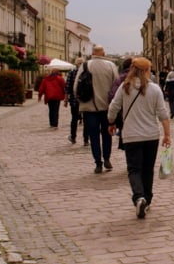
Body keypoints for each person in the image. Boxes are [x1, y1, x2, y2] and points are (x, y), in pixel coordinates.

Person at [107, 57, 171, 219]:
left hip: (131, 136)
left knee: (134, 169)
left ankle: (139, 196)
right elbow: (163, 114)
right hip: (151, 136)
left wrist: (111, 122)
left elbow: (113, 107)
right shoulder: (155, 89)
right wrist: (167, 134)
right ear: (146, 71)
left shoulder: (125, 87)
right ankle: (147, 200)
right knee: (148, 169)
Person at [74, 45, 119, 174]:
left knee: (93, 136)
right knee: (107, 134)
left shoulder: (85, 65)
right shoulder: (110, 65)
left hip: (89, 107)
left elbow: (76, 86)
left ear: (92, 53)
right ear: (103, 53)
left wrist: (80, 102)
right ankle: (107, 158)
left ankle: (98, 163)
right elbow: (116, 86)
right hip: (107, 107)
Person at [64, 57, 88, 145]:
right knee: (86, 120)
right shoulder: (87, 72)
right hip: (86, 100)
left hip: (74, 100)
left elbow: (67, 87)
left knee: (74, 119)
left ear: (76, 63)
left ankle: (73, 137)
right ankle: (86, 139)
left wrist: (66, 100)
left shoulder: (72, 72)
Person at [38, 63, 66, 129]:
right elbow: (64, 87)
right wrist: (65, 95)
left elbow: (41, 88)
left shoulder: (45, 79)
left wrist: (40, 96)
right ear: (57, 72)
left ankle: (51, 124)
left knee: (51, 110)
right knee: (56, 110)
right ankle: (55, 124)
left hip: (49, 97)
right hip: (57, 97)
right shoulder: (60, 79)